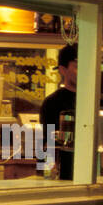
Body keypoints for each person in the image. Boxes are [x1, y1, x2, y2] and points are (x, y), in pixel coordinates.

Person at [39, 43, 77, 179]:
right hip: (63, 174)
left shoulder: (96, 101)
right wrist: (48, 171)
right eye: (77, 66)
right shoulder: (52, 102)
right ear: (62, 70)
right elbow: (47, 143)